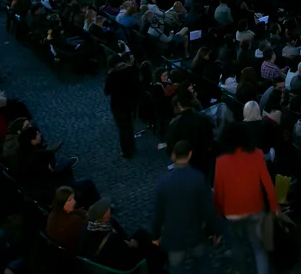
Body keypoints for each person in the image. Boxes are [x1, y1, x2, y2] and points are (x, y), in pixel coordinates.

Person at [213, 123, 279, 274]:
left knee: (237, 246)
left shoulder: (221, 162)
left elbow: (218, 192)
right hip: (255, 209)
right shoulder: (257, 154)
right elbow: (267, 183)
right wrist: (274, 206)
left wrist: (218, 214)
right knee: (259, 249)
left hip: (232, 213)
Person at [153, 140, 222, 273]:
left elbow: (158, 214)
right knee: (202, 265)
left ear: (173, 155)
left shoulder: (163, 183)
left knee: (176, 269)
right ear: (190, 154)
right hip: (195, 236)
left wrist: (155, 235)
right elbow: (208, 210)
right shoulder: (198, 179)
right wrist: (215, 230)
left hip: (174, 239)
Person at [104, 55, 141, 158]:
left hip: (118, 105)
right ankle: (132, 146)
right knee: (128, 125)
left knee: (123, 128)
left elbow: (107, 91)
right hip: (130, 103)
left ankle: (126, 151)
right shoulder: (130, 70)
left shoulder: (112, 75)